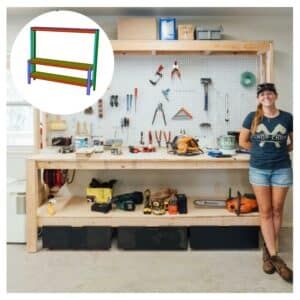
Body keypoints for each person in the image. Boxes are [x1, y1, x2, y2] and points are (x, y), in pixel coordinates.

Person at [239, 83, 293, 283]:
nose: (266, 96)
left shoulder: (287, 118)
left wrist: (280, 151)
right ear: (259, 98)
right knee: (266, 212)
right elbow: (243, 141)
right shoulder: (252, 117)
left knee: (277, 210)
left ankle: (268, 250)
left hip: (281, 168)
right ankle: (275, 256)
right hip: (259, 169)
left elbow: (293, 142)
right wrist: (260, 152)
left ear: (275, 96)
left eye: (269, 93)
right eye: (262, 94)